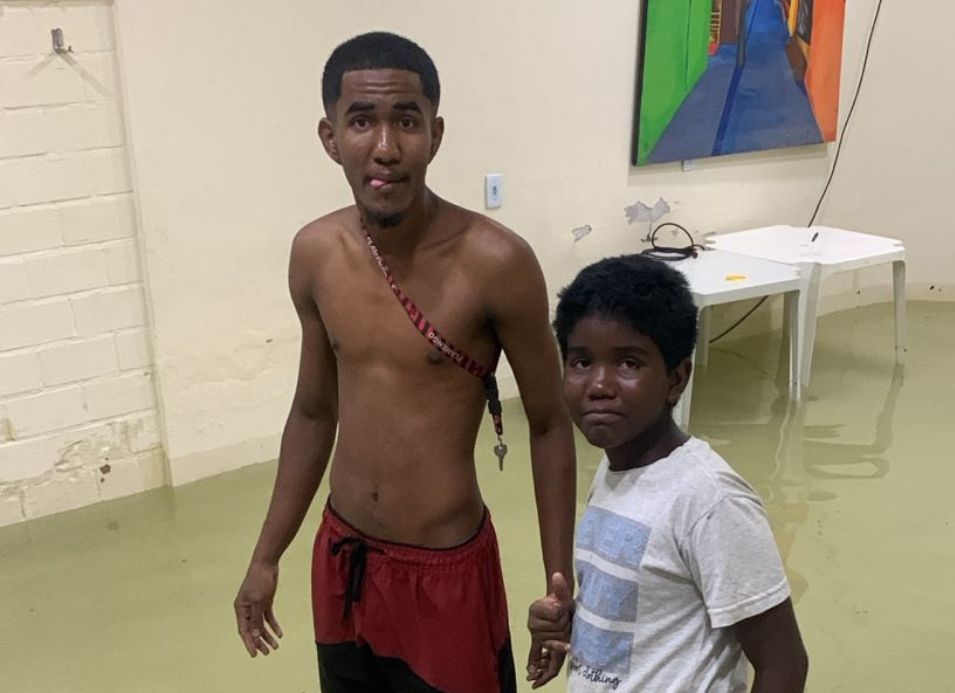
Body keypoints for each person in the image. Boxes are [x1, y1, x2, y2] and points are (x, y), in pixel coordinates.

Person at [233, 31, 576, 693]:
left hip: (446, 573)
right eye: (362, 121)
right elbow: (313, 412)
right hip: (343, 557)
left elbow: (548, 422)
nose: (385, 147)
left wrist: (558, 584)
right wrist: (266, 556)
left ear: (435, 135)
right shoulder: (316, 254)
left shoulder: (496, 262)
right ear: (331, 136)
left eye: (407, 122)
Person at [526, 255, 808, 692]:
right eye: (581, 362)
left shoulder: (710, 500)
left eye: (628, 363)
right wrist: (568, 622)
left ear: (676, 379)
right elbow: (643, 619)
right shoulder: (615, 469)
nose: (599, 385)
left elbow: (783, 663)